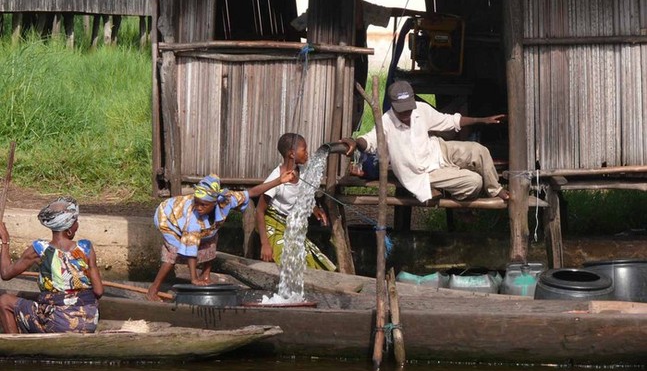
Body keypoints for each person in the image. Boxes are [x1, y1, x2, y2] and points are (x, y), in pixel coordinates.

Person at [291, 0, 425, 130]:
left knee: (351, 106)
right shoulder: (321, 9)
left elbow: (389, 11)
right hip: (323, 69)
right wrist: (314, 40)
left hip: (356, 67)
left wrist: (423, 15)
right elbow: (295, 27)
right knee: (324, 107)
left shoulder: (362, 9)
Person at [342, 81, 510, 203]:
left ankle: (495, 189)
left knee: (479, 150)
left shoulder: (420, 109)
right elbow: (368, 140)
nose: (407, 113)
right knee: (474, 182)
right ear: (393, 106)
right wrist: (355, 142)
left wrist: (483, 120)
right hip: (422, 173)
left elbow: (450, 121)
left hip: (438, 150)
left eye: (409, 108)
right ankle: (452, 193)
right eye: (402, 110)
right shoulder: (386, 122)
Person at [146, 170, 296, 301]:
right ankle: (153, 289)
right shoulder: (194, 218)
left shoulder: (226, 200)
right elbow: (190, 250)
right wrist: (193, 279)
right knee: (173, 253)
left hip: (195, 223)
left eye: (203, 205)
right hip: (168, 217)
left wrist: (279, 181)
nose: (199, 207)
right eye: (197, 203)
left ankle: (206, 275)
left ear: (214, 203)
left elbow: (252, 192)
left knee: (210, 238)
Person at [0, 196, 104, 334]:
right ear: (69, 229)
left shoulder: (39, 249)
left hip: (58, 323)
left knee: (4, 301)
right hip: (89, 321)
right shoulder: (86, 248)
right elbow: (98, 291)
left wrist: (5, 241)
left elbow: (6, 273)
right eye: (76, 222)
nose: (77, 225)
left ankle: (14, 347)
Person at [255, 133, 336, 271]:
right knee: (289, 262)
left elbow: (304, 195)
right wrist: (265, 244)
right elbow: (259, 211)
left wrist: (315, 209)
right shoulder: (276, 179)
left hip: (289, 225)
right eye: (304, 150)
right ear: (292, 154)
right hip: (272, 224)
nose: (307, 153)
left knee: (314, 260)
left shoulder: (302, 171)